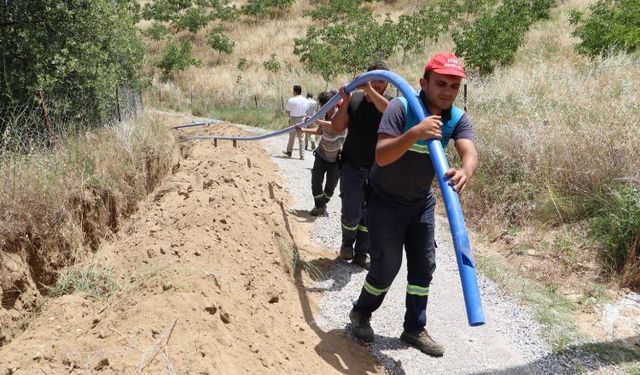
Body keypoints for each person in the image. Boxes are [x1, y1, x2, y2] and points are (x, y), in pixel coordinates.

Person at [348, 52, 479, 357]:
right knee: (386, 266)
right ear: (423, 82)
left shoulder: (456, 118)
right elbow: (381, 155)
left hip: (420, 204)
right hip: (385, 202)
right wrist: (414, 134)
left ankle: (414, 327)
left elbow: (469, 152)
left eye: (454, 86)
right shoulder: (401, 106)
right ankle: (361, 312)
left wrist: (465, 170)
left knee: (424, 267)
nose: (447, 91)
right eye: (441, 83)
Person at [331, 61, 391, 269]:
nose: (377, 84)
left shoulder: (392, 104)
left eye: (382, 80)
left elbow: (387, 110)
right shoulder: (355, 100)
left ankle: (362, 252)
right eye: (372, 79)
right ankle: (347, 243)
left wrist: (368, 90)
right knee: (352, 211)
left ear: (388, 83)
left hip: (379, 170)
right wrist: (345, 101)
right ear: (365, 78)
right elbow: (337, 127)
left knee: (371, 214)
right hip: (352, 166)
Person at [298, 90, 347, 216]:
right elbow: (320, 131)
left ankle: (323, 202)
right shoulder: (323, 116)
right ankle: (319, 206)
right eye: (321, 106)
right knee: (315, 181)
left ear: (333, 104)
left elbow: (336, 126)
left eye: (324, 105)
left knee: (330, 187)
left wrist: (315, 120)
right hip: (322, 154)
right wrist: (304, 129)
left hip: (336, 158)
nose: (322, 108)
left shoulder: (342, 115)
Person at [283, 85, 308, 160]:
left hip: (293, 118)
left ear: (294, 91)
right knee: (301, 137)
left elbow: (287, 110)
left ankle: (289, 151)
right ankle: (302, 155)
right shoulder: (305, 100)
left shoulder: (291, 100)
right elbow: (306, 109)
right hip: (302, 119)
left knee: (292, 136)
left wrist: (289, 116)